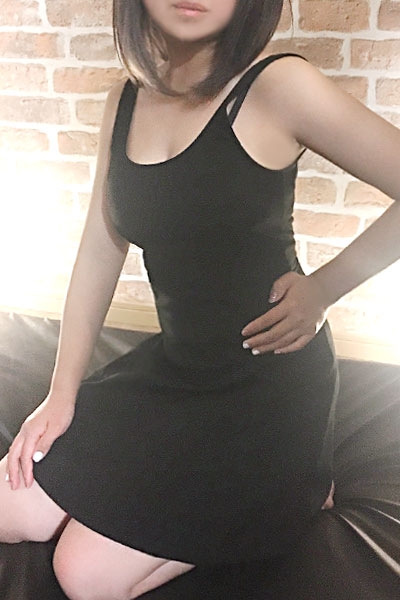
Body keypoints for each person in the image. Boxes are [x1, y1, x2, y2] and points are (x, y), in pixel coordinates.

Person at [1, 1, 400, 598]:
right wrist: (61, 395)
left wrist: (325, 287)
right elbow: (100, 250)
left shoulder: (279, 87)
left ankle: (297, 493)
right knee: (9, 509)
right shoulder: (125, 101)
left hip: (266, 389)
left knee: (82, 575)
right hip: (176, 370)